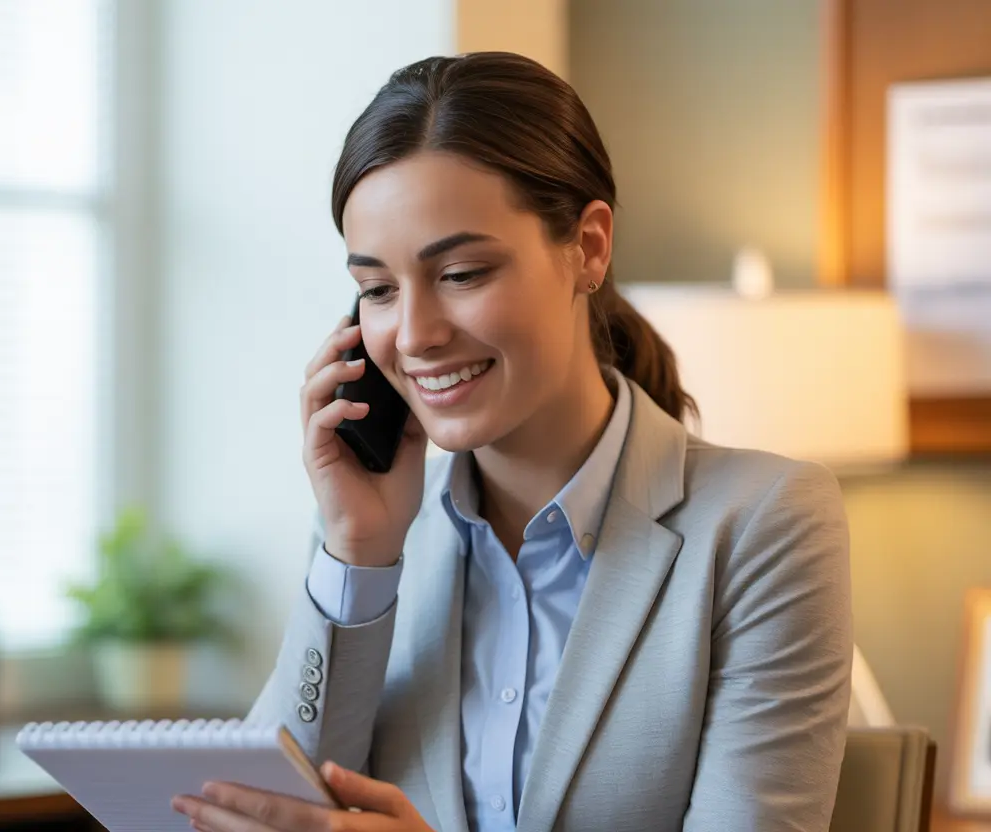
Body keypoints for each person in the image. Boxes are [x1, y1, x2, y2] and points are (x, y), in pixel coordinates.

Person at [173, 51, 852, 832]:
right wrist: (357, 551)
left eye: (461, 273)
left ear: (589, 248)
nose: (416, 336)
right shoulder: (377, 538)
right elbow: (255, 812)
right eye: (378, 290)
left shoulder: (763, 524)